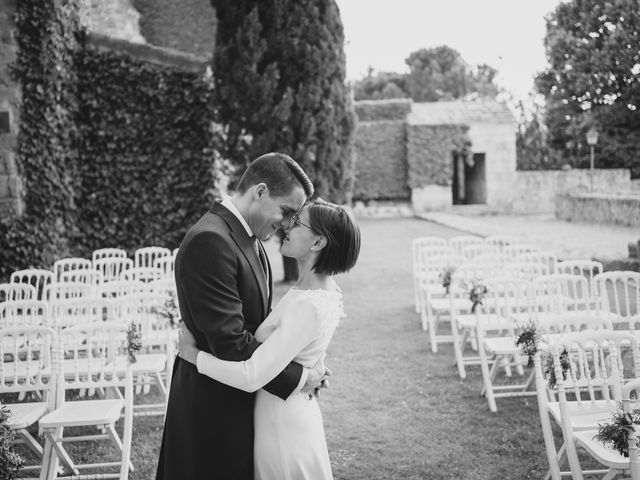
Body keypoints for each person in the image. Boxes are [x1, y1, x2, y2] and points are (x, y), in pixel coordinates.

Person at [156, 153, 325, 480]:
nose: (287, 223)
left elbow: (259, 326)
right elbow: (232, 345)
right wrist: (300, 377)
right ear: (259, 192)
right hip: (213, 410)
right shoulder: (211, 240)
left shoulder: (250, 237)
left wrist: (303, 362)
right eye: (286, 211)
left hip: (241, 397)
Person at [178, 198, 361, 480]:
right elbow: (308, 347)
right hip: (283, 411)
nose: (287, 224)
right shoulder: (316, 291)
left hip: (282, 424)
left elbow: (251, 375)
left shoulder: (309, 304)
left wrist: (194, 356)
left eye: (298, 222)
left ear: (317, 243)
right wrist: (311, 371)